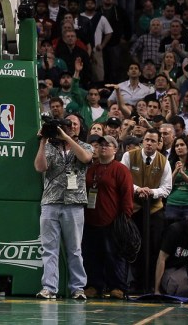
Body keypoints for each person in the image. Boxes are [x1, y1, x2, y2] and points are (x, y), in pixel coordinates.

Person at [34, 116, 94, 300]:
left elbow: (85, 158)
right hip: (51, 202)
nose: (70, 126)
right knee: (49, 248)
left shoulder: (86, 146)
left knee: (74, 249)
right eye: (67, 124)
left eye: (74, 124)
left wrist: (66, 137)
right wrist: (43, 141)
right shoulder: (51, 146)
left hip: (74, 204)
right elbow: (40, 167)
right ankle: (49, 288)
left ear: (79, 128)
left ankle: (77, 288)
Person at [121, 128, 172, 294]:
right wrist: (137, 189)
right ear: (142, 141)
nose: (149, 143)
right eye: (147, 140)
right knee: (134, 246)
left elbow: (167, 187)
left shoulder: (164, 161)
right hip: (134, 208)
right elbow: (124, 179)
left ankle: (150, 283)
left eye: (153, 141)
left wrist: (152, 192)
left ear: (159, 144)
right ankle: (134, 282)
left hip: (155, 210)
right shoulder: (129, 156)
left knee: (154, 247)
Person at [83, 134, 134, 299]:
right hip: (91, 220)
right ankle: (94, 285)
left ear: (115, 149)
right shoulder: (92, 169)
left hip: (113, 221)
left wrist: (125, 217)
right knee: (92, 255)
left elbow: (127, 194)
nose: (103, 147)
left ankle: (117, 286)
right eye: (101, 144)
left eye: (108, 144)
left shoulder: (120, 169)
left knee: (114, 255)